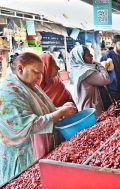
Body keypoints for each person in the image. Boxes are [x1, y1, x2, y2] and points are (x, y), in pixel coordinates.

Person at [0, 52, 77, 185]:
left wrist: (61, 109)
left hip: (40, 150)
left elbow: (43, 112)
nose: (39, 77)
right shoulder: (8, 90)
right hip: (23, 158)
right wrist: (59, 113)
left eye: (41, 73)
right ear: (20, 69)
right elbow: (24, 126)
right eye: (36, 72)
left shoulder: (30, 85)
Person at [70, 45, 110, 117]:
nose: (92, 56)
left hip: (87, 106)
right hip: (91, 109)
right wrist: (99, 65)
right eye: (88, 55)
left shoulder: (77, 70)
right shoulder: (86, 72)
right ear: (81, 58)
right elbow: (105, 79)